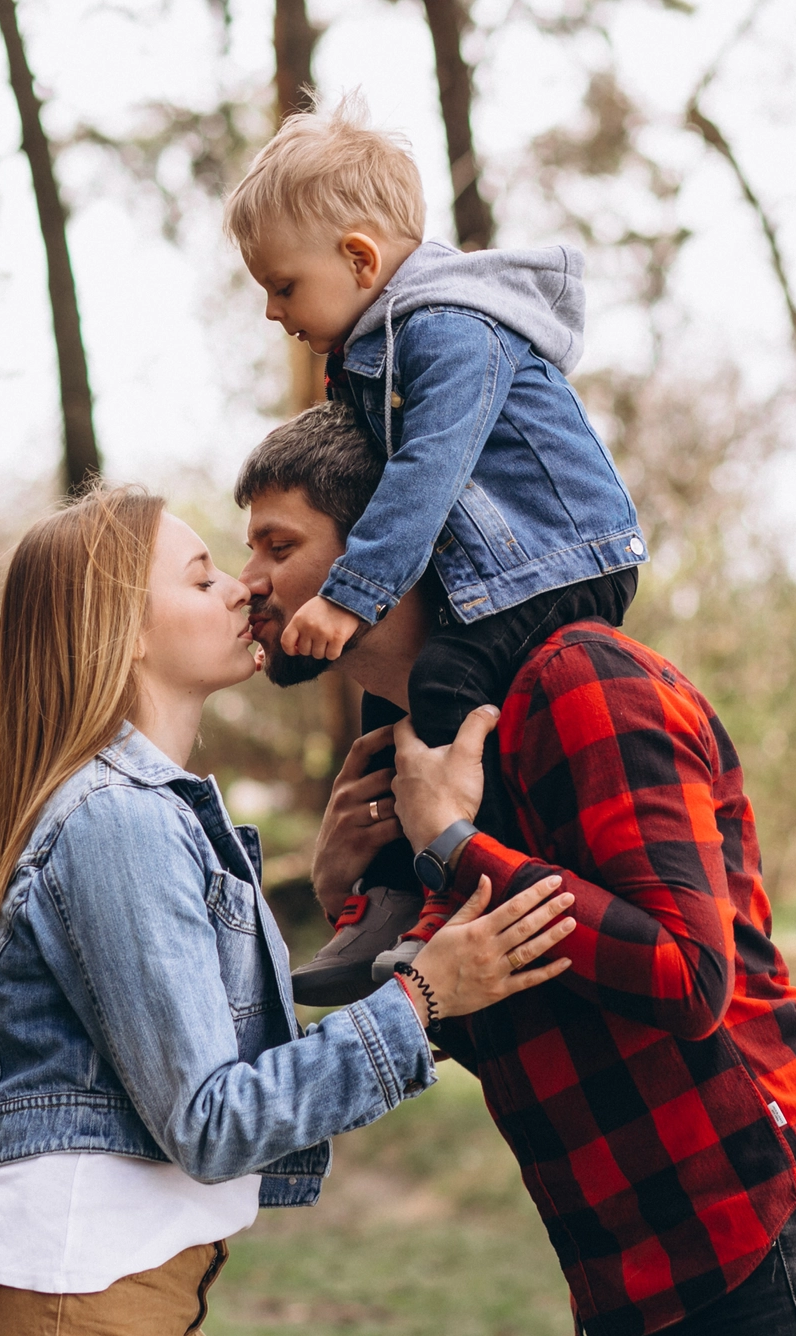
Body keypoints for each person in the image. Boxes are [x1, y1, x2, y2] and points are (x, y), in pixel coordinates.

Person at [235, 409, 796, 1336]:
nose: (250, 582)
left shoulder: (580, 680)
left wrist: (455, 845)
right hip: (625, 1279)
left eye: (279, 544)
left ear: (387, 544)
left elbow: (687, 973)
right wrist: (352, 900)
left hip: (762, 1234)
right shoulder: (425, 749)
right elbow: (502, 1015)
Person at [0, 486, 579, 1336]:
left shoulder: (156, 813)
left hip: (134, 1298)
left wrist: (349, 911)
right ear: (124, 632)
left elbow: (204, 1047)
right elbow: (212, 1118)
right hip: (68, 1308)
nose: (243, 589)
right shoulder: (119, 821)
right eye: (201, 578)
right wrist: (419, 999)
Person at [224, 97, 648, 999]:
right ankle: (381, 902)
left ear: (359, 258)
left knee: (446, 688)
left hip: (558, 558)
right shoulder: (369, 349)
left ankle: (453, 897)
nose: (269, 310)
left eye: (283, 286)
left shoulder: (448, 327)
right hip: (494, 569)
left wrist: (351, 593)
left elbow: (429, 469)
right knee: (387, 713)